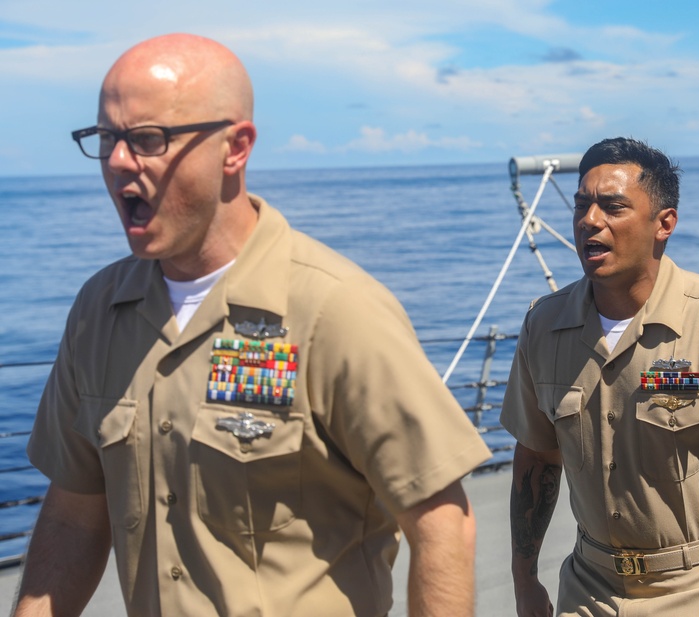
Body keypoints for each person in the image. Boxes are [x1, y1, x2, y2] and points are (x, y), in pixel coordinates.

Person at [13, 34, 490, 617]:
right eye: (106, 139)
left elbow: (442, 523)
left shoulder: (334, 310)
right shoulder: (99, 313)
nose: (116, 161)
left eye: (146, 139)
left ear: (234, 148)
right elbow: (73, 515)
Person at [500, 137, 699, 617]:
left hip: (698, 590)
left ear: (664, 223)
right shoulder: (543, 326)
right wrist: (524, 581)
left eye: (612, 206)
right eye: (583, 204)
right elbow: (537, 458)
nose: (589, 220)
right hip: (588, 588)